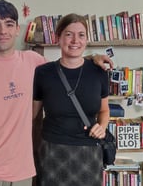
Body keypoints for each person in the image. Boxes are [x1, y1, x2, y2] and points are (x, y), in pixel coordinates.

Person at [0, 0, 113, 186]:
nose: (3, 31)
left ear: (17, 29)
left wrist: (91, 59)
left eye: (9, 24)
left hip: (23, 172)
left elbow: (67, 65)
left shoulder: (35, 63)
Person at [33, 13, 110, 186]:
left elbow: (104, 110)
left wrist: (102, 127)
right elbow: (32, 114)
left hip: (89, 151)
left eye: (81, 35)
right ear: (58, 38)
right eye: (69, 34)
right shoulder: (43, 73)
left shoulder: (99, 72)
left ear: (86, 39)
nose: (75, 40)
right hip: (52, 150)